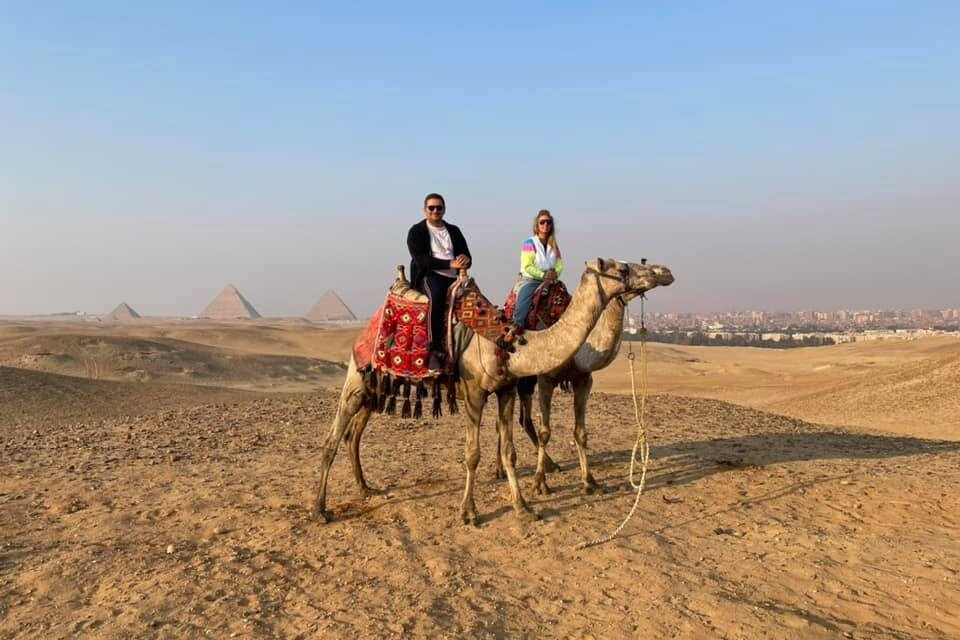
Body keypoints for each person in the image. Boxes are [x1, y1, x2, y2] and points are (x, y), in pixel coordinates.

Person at [407, 193, 471, 367]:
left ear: (444, 209)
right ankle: (433, 349)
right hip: (431, 275)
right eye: (431, 208)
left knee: (477, 302)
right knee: (436, 299)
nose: (435, 211)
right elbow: (421, 259)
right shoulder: (417, 231)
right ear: (425, 210)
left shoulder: (454, 230)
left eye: (439, 208)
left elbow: (467, 255)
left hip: (455, 277)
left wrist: (464, 259)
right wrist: (449, 263)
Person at [513, 209, 563, 327]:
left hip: (551, 281)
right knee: (522, 309)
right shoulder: (529, 243)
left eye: (548, 222)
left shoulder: (553, 245)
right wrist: (543, 275)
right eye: (542, 222)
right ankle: (516, 329)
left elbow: (560, 263)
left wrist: (555, 273)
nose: (545, 224)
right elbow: (528, 265)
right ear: (537, 225)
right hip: (532, 280)